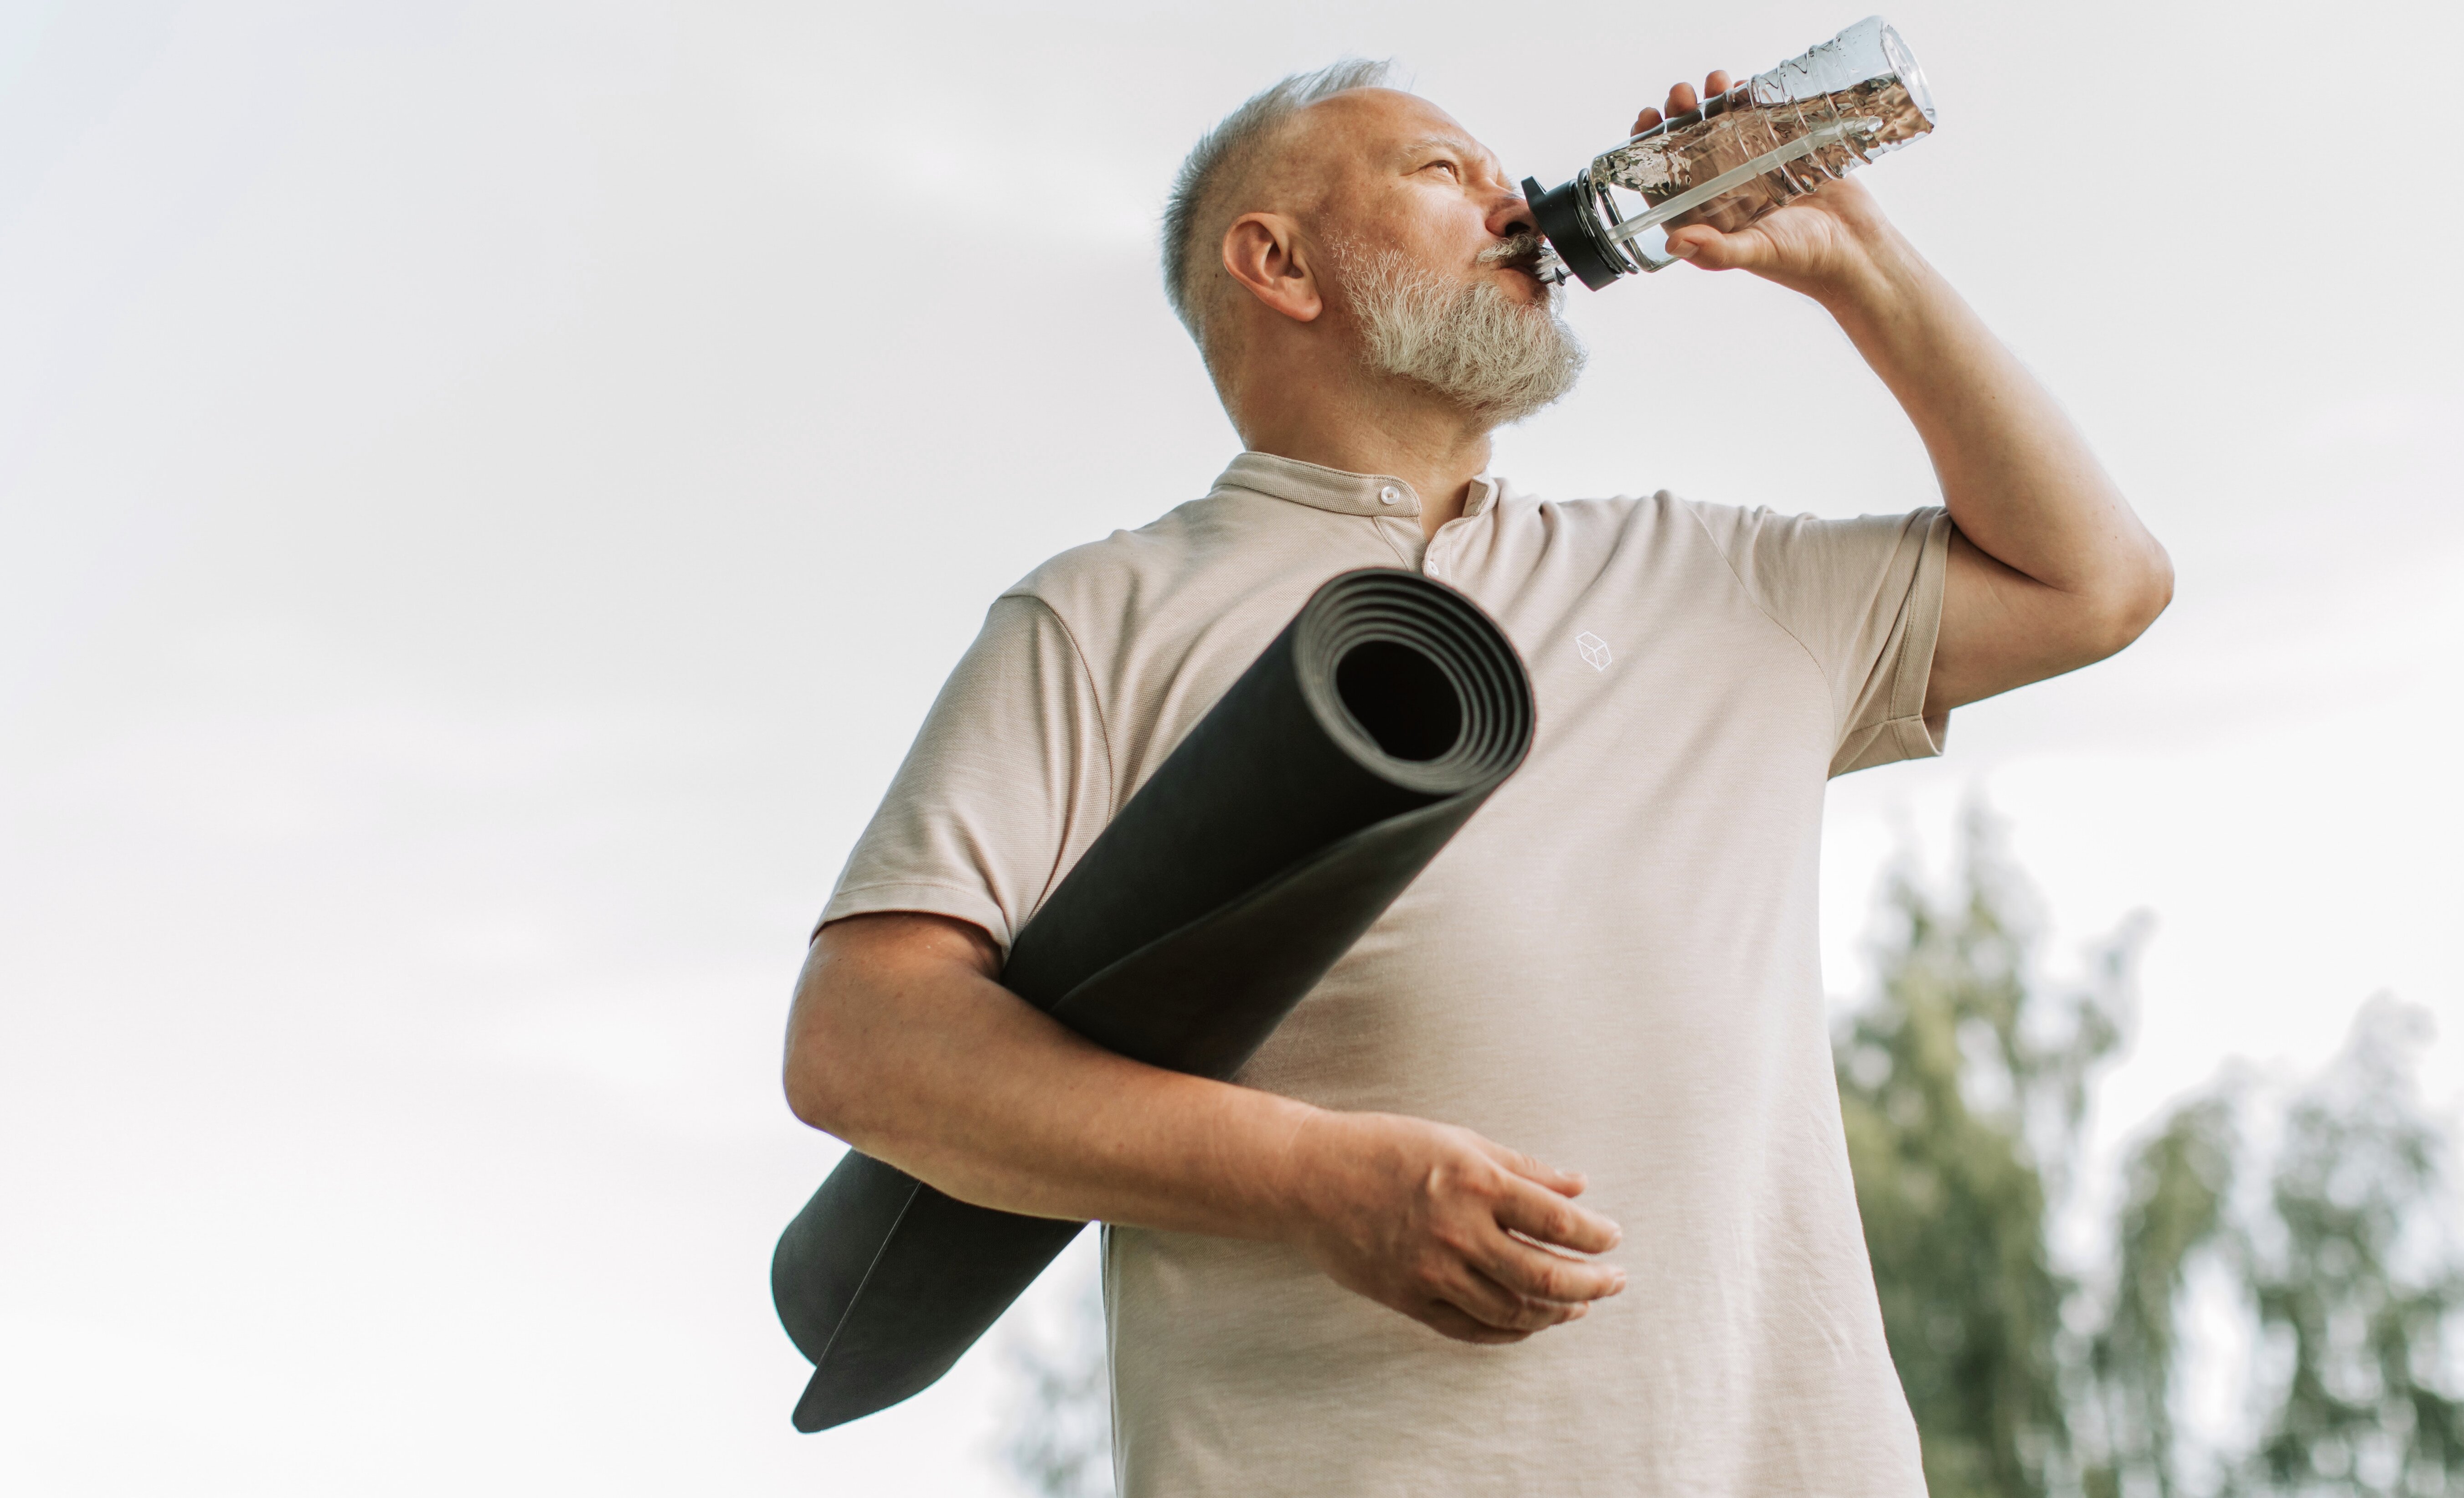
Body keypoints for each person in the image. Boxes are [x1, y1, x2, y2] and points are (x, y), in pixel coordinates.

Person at [784, 57, 2170, 1498]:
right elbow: (862, 1046)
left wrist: (1858, 261)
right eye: (1443, 171)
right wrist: (1314, 1182)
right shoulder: (1105, 616)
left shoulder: (1714, 574)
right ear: (1279, 262)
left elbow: (2099, 582)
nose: (1514, 198)